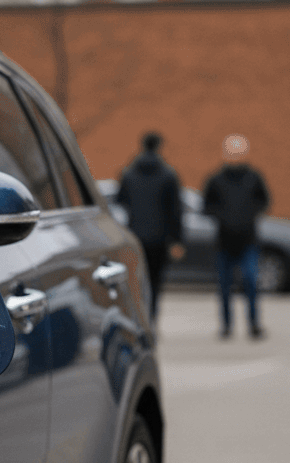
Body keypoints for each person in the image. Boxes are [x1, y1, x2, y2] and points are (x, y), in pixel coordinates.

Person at [202, 134, 271, 339]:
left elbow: (264, 200)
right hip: (224, 241)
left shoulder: (254, 178)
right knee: (224, 286)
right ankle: (226, 325)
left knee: (250, 281)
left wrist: (249, 214)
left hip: (248, 239)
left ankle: (254, 324)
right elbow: (207, 206)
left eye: (238, 151)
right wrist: (223, 217)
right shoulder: (215, 179)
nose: (235, 155)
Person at [116, 131, 185, 320]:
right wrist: (177, 239)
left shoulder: (128, 174)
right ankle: (151, 319)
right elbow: (175, 210)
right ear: (159, 146)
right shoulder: (168, 175)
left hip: (135, 236)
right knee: (155, 282)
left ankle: (139, 317)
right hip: (159, 238)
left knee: (137, 281)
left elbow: (120, 202)